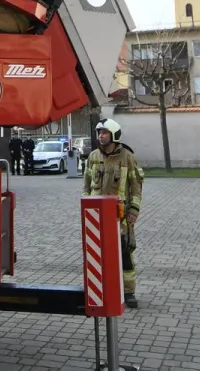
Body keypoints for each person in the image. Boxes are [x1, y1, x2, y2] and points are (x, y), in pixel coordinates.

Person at [82, 118, 144, 308]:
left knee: (124, 252)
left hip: (120, 215)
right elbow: (86, 185)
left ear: (114, 135)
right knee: (97, 252)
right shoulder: (92, 156)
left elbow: (136, 186)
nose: (101, 136)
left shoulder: (127, 157)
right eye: (99, 133)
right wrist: (86, 205)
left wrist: (133, 210)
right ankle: (100, 288)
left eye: (105, 133)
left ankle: (129, 291)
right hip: (95, 215)